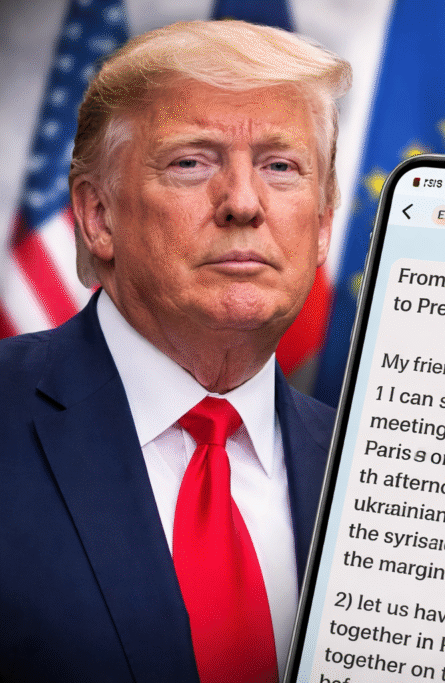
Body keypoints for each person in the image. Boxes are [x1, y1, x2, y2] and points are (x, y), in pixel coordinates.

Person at [0, 20, 351, 683]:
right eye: (193, 161)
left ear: (325, 222)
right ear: (98, 214)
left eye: (280, 166)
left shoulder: (370, 468)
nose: (244, 203)